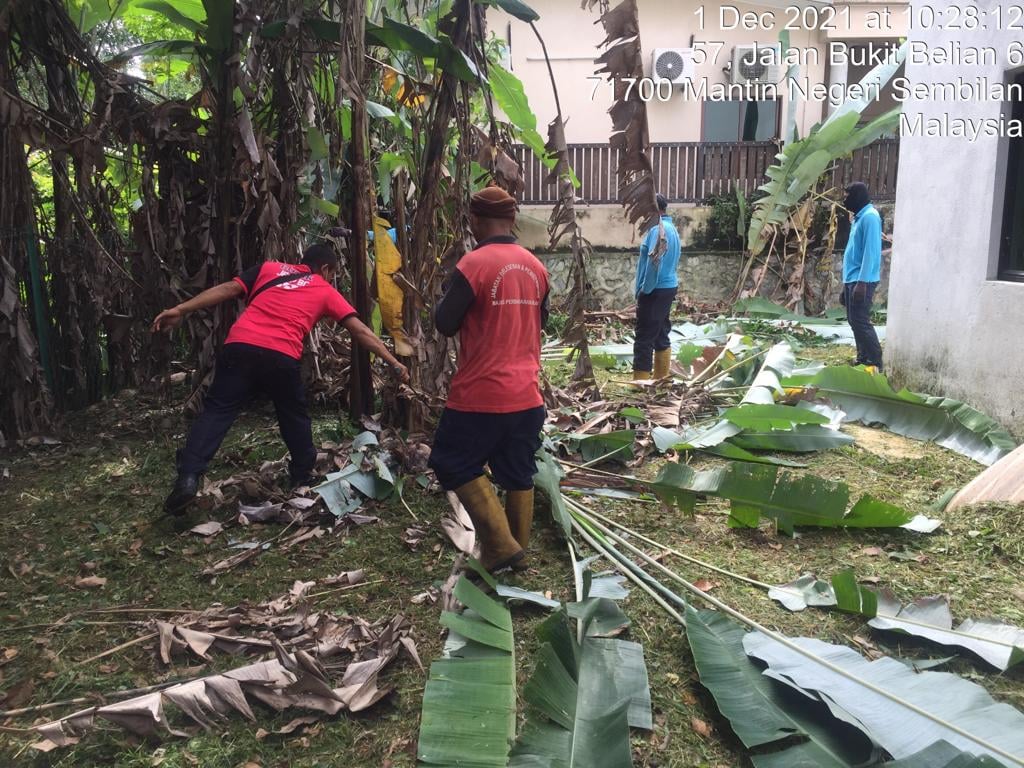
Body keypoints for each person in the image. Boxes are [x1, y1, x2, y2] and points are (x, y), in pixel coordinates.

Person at [152, 244, 409, 515]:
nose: (332, 280)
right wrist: (393, 362)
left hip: (239, 345)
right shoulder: (324, 290)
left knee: (217, 411)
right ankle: (301, 473)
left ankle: (189, 477)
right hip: (281, 353)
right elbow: (360, 331)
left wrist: (181, 309)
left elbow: (228, 289)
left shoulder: (269, 269)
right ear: (325, 269)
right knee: (292, 414)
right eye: (333, 274)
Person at [428, 186, 550, 574]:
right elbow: (540, 322)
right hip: (527, 394)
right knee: (517, 471)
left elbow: (445, 323)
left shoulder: (473, 264)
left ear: (474, 220)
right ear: (513, 220)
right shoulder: (536, 267)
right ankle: (517, 553)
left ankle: (499, 546)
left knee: (450, 460)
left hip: (480, 394)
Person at [633, 194, 681, 381]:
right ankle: (662, 379)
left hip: (655, 289)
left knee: (644, 336)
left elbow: (654, 262)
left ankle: (640, 382)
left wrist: (645, 290)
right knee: (660, 331)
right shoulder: (672, 229)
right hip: (668, 287)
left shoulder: (657, 230)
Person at [840, 182, 884, 370]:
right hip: (852, 278)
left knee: (860, 320)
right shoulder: (858, 218)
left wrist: (862, 282)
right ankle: (862, 357)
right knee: (853, 321)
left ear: (857, 196)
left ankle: (875, 361)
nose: (844, 200)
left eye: (847, 196)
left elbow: (870, 252)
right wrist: (846, 284)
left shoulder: (870, 217)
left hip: (862, 280)